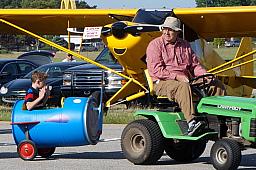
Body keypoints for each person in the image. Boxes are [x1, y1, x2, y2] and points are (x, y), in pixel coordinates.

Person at [146, 16, 226, 136]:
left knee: (216, 84)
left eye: (171, 30)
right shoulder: (155, 45)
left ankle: (220, 118)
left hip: (186, 81)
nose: (167, 32)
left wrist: (205, 75)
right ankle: (192, 122)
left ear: (177, 32)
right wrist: (176, 77)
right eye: (165, 29)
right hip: (162, 83)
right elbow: (156, 70)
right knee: (183, 86)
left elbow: (194, 66)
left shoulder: (185, 45)